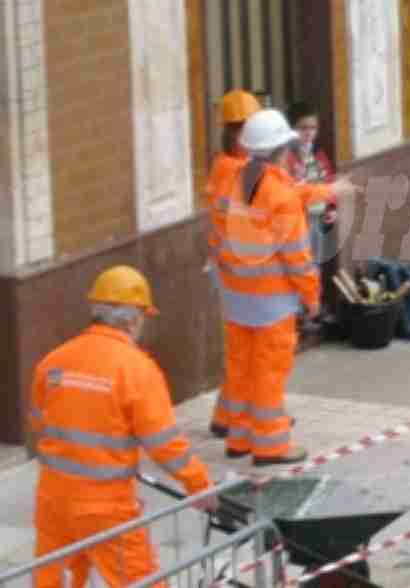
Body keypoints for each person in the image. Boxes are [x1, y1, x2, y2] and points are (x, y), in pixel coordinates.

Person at [29, 266, 216, 587]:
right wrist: (200, 485)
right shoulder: (136, 369)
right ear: (132, 319)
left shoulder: (54, 361)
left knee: (52, 579)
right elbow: (165, 445)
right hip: (106, 508)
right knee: (139, 580)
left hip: (53, 500)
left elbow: (38, 422)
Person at [217, 109, 319, 465]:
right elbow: (297, 257)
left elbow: (218, 233)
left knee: (241, 372)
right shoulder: (280, 194)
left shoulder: (234, 181)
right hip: (271, 303)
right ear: (281, 148)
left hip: (235, 298)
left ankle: (240, 439)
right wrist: (312, 297)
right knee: (268, 375)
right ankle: (271, 446)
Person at [207, 89, 262, 438]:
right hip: (243, 270)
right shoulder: (239, 172)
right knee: (254, 348)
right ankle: (252, 416)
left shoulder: (225, 167)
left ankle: (226, 415)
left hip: (233, 267)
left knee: (243, 348)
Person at [283, 101, 340, 322]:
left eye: (312, 128)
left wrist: (331, 207)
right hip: (297, 220)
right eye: (303, 128)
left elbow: (327, 181)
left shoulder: (317, 154)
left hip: (316, 217)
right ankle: (298, 310)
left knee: (315, 262)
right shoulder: (288, 156)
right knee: (299, 264)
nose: (308, 133)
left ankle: (312, 306)